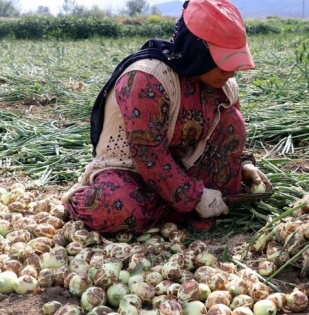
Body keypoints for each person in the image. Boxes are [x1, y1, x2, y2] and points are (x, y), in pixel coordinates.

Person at [61, 0, 271, 234]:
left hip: (186, 167)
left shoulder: (222, 84)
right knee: (113, 207)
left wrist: (243, 165)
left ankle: (174, 209)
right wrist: (196, 197)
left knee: (232, 120)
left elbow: (226, 135)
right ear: (197, 52)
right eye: (223, 62)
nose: (230, 71)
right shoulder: (146, 80)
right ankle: (85, 200)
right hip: (133, 172)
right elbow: (149, 156)